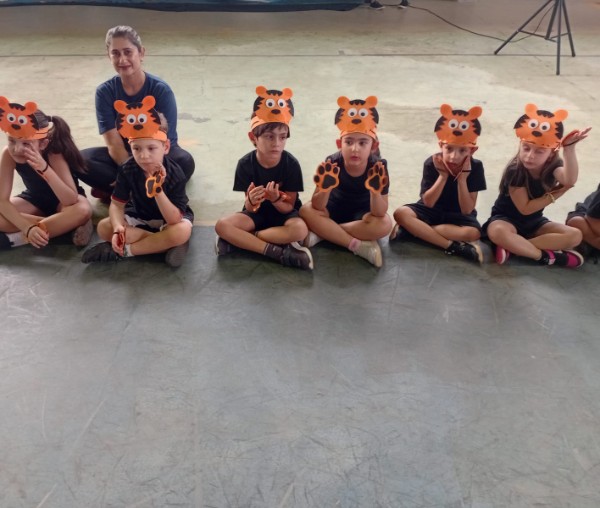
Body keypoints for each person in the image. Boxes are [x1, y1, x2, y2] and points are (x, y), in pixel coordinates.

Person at [79, 25, 194, 202]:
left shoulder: (160, 90)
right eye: (115, 53)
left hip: (156, 152)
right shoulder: (105, 92)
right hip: (125, 155)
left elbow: (164, 140)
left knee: (184, 161)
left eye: (128, 52)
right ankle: (144, 191)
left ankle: (121, 191)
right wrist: (130, 172)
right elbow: (114, 143)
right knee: (79, 160)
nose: (122, 59)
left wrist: (136, 172)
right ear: (108, 56)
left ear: (141, 53)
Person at [81, 95, 193, 267]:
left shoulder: (175, 173)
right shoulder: (128, 168)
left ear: (166, 147)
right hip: (140, 218)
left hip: (170, 220)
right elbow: (117, 205)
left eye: (151, 148)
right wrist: (118, 228)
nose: (144, 156)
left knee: (181, 231)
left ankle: (127, 251)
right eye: (136, 148)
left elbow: (173, 220)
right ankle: (163, 245)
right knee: (104, 227)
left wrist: (157, 191)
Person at [214, 86, 313, 270]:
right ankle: (278, 253)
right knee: (222, 226)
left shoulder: (291, 164)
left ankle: (245, 240)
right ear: (253, 137)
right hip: (256, 215)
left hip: (284, 215)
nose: (277, 143)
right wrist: (251, 201)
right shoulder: (245, 164)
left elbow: (289, 206)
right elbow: (249, 208)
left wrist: (275, 199)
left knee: (300, 229)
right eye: (269, 137)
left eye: (282, 137)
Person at [484, 103, 591, 267]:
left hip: (534, 223)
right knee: (497, 231)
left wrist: (569, 149)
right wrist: (558, 192)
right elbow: (525, 209)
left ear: (551, 154)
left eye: (539, 151)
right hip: (506, 220)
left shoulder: (553, 167)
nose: (529, 156)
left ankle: (515, 247)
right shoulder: (515, 170)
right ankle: (546, 257)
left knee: (575, 235)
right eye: (526, 148)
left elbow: (569, 180)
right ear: (520, 145)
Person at [299, 95, 392, 267]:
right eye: (348, 142)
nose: (355, 149)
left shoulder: (379, 167)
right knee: (305, 210)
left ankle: (324, 233)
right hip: (333, 208)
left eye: (362, 143)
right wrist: (325, 189)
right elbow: (317, 205)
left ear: (373, 146)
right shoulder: (332, 162)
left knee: (385, 223)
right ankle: (357, 245)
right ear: (339, 143)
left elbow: (380, 212)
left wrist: (375, 192)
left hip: (363, 214)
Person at [389, 104, 486, 263]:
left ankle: (413, 232)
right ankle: (451, 246)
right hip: (430, 210)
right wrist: (443, 176)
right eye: (449, 149)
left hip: (458, 214)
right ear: (441, 146)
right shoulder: (432, 163)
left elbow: (467, 209)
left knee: (473, 233)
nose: (454, 157)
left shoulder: (476, 167)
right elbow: (428, 202)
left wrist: (462, 180)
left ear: (472, 150)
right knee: (401, 213)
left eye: (462, 150)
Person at [0, 96, 92, 250]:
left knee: (82, 211)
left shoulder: (53, 153)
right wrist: (27, 227)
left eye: (26, 143)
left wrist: (44, 168)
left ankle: (15, 239)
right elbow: (2, 201)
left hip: (65, 203)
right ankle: (62, 227)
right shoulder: (8, 155)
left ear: (42, 144)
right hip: (34, 199)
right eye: (11, 141)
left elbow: (70, 199)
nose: (17, 149)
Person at [566, 183, 600, 259]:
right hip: (589, 219)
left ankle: (589, 245)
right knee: (576, 222)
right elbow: (591, 219)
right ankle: (591, 243)